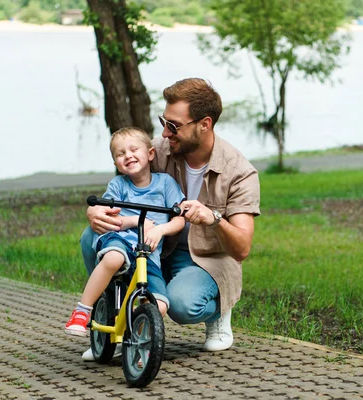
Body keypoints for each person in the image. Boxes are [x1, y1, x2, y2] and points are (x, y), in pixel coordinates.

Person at [79, 78, 260, 359]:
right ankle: (114, 323)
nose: (165, 132)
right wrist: (95, 211)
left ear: (205, 124)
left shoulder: (239, 172)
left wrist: (213, 219)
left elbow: (242, 248)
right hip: (157, 244)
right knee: (91, 236)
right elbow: (122, 185)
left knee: (182, 304)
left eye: (173, 126)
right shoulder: (158, 149)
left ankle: (220, 311)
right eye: (164, 121)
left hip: (205, 257)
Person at [65, 127, 185, 336]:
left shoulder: (165, 183)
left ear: (150, 154)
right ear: (116, 164)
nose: (128, 155)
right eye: (120, 154)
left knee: (161, 305)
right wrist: (137, 221)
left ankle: (140, 343)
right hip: (119, 240)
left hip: (148, 255)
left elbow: (180, 219)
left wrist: (159, 230)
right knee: (114, 258)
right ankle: (82, 311)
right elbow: (108, 219)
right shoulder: (119, 185)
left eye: (133, 149)